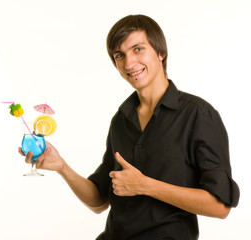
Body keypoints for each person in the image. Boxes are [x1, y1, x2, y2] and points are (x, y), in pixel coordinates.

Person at [20, 14, 240, 240]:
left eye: (138, 49)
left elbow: (220, 207)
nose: (129, 63)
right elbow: (99, 201)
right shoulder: (121, 119)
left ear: (161, 53)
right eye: (119, 55)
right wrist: (62, 167)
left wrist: (146, 185)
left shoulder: (198, 115)